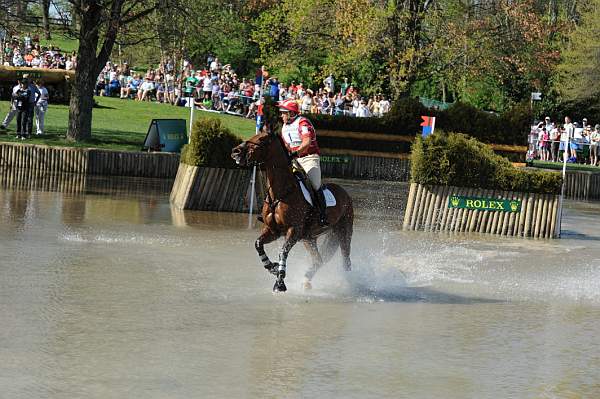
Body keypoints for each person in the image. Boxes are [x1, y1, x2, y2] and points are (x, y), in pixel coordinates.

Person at [278, 99, 328, 226]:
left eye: (283, 113)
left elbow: (306, 142)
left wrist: (295, 153)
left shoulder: (303, 123)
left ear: (291, 113)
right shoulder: (284, 127)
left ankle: (322, 215)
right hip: (294, 160)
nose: (281, 115)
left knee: (315, 185)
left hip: (308, 158)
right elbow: (286, 146)